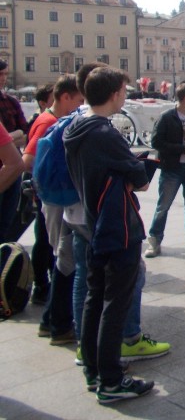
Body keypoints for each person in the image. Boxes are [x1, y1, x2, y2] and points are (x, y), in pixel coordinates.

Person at [64, 62, 171, 370]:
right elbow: (140, 180)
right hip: (116, 225)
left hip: (91, 218)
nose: (126, 95)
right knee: (115, 302)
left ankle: (94, 368)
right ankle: (110, 378)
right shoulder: (104, 133)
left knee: (94, 298)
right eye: (124, 91)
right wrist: (139, 166)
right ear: (113, 94)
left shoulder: (76, 127)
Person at [22, 75, 84, 345]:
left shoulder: (50, 120)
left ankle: (51, 320)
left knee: (62, 260)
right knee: (65, 262)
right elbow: (28, 160)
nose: (79, 106)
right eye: (78, 101)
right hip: (58, 202)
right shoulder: (50, 122)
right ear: (66, 96)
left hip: (53, 199)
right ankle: (56, 322)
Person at [146, 83, 185, 257]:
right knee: (163, 206)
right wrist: (183, 149)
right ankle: (154, 240)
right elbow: (156, 143)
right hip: (172, 168)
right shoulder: (167, 117)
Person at [0, 59, 28, 243]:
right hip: (9, 165)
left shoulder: (10, 102)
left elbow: (26, 133)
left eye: (5, 74)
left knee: (5, 227)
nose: (3, 78)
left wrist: (11, 137)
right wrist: (13, 137)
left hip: (10, 172)